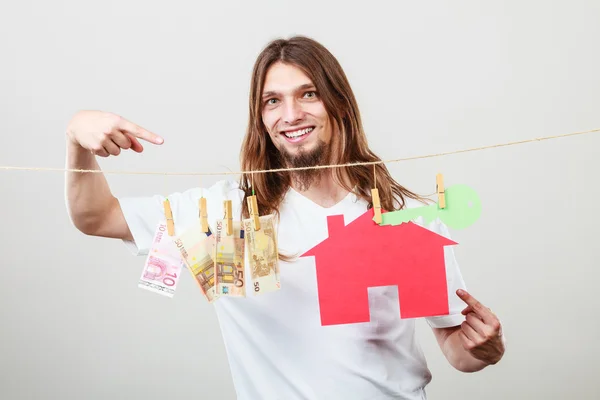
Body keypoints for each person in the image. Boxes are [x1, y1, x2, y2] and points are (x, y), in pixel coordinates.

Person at [64, 36, 505, 399]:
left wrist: (486, 349)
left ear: (339, 104)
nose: (291, 115)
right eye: (272, 101)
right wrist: (77, 135)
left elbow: (458, 350)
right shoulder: (224, 214)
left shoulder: (404, 218)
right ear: (261, 118)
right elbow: (96, 216)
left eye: (307, 94)